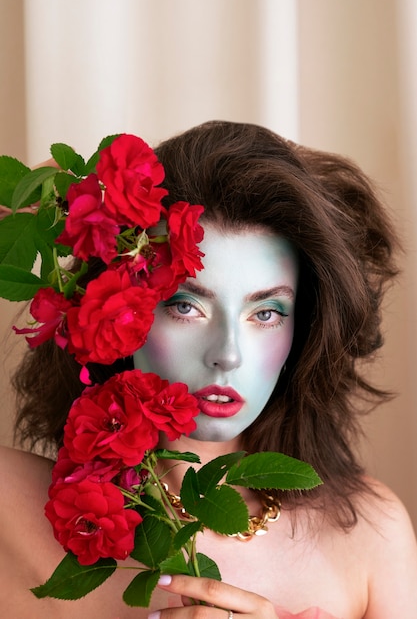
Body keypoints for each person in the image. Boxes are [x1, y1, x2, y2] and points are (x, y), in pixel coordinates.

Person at [0, 120, 416, 619]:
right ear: (117, 311)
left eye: (266, 314)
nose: (229, 354)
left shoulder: (370, 533)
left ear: (301, 330)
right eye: (185, 306)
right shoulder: (12, 510)